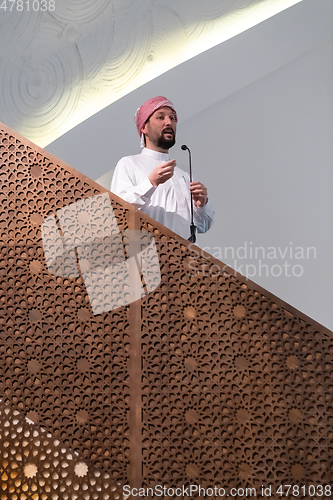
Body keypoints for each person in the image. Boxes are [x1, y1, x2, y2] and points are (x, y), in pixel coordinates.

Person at [111, 96, 214, 240]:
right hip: (148, 257)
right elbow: (118, 212)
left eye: (172, 118)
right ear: (144, 127)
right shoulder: (129, 164)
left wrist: (202, 205)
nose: (169, 122)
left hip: (186, 259)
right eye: (161, 117)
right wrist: (151, 183)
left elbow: (204, 226)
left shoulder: (184, 172)